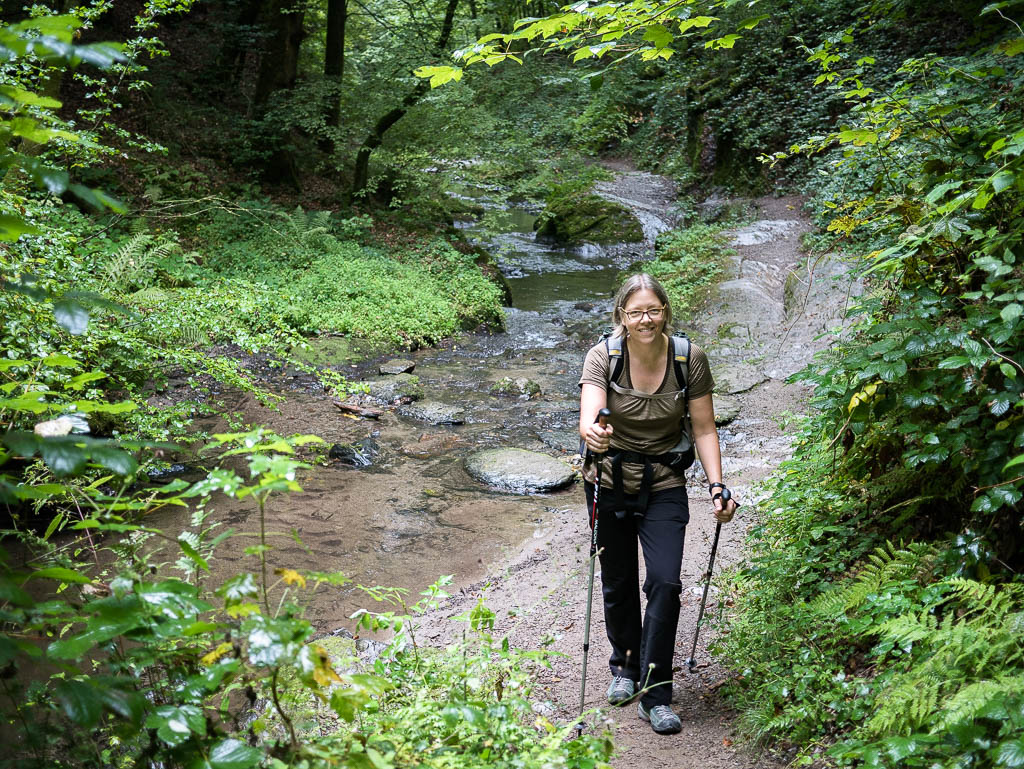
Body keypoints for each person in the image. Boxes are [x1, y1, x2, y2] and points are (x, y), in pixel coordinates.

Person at [578, 272, 739, 735]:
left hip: (665, 481)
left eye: (653, 310)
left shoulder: (689, 359)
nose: (645, 319)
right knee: (619, 579)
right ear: (621, 318)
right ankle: (625, 668)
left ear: (665, 311)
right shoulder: (603, 357)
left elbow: (705, 429)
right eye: (635, 313)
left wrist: (716, 485)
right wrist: (593, 432)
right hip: (607, 481)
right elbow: (588, 417)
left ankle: (657, 691)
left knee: (666, 582)